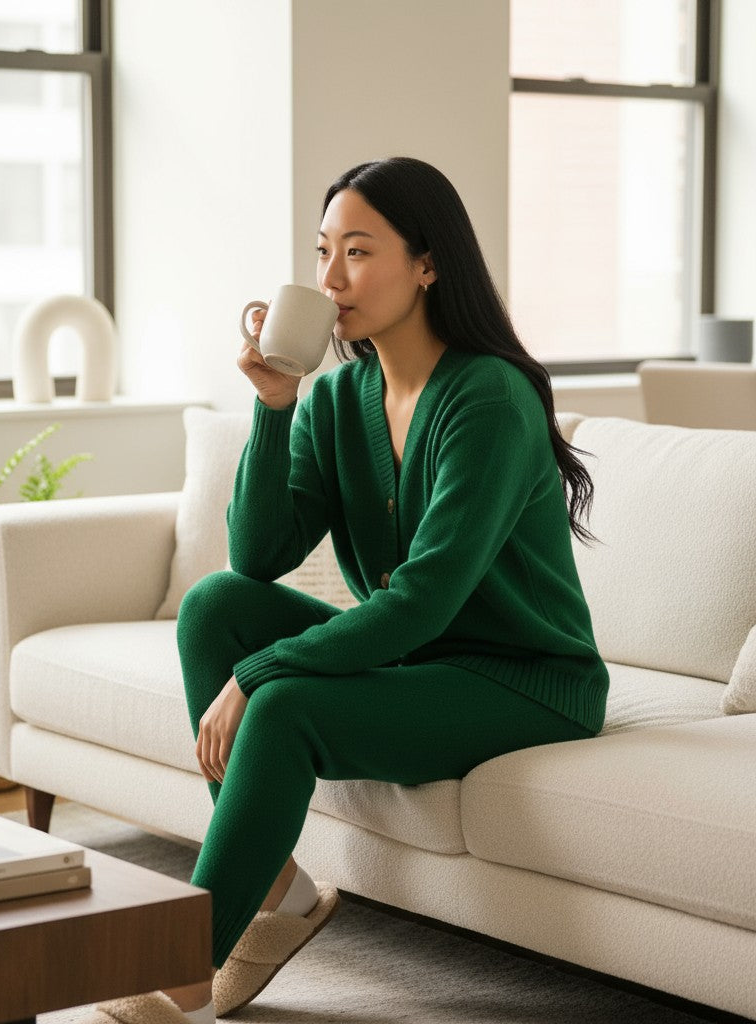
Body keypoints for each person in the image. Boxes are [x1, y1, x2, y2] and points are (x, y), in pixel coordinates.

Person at [86, 156, 609, 1024]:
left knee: (283, 702)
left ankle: (184, 972)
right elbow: (257, 558)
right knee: (216, 605)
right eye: (324, 250)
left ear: (428, 263)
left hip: (525, 681)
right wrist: (275, 404)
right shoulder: (338, 397)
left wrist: (259, 676)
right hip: (419, 662)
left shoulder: (489, 398)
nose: (330, 279)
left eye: (358, 253)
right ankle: (277, 891)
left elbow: (420, 602)